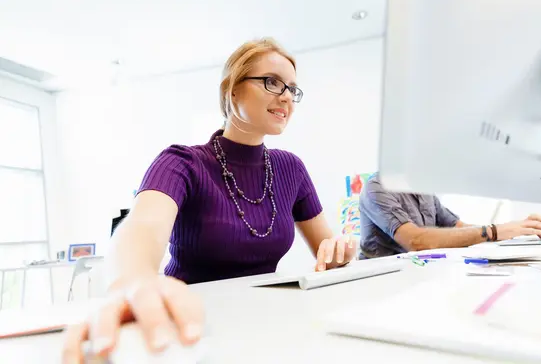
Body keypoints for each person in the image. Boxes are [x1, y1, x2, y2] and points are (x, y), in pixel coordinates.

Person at [62, 38, 357, 363]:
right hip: (189, 330)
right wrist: (131, 281)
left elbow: (326, 252)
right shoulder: (181, 163)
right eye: (272, 82)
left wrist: (339, 251)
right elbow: (142, 226)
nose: (286, 96)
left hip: (265, 328)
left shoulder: (291, 168)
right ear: (232, 90)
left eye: (292, 88)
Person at [358, 173, 541, 259]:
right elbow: (416, 241)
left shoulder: (423, 188)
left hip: (417, 274)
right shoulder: (376, 187)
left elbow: (460, 228)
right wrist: (494, 232)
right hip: (381, 282)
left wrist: (517, 229)